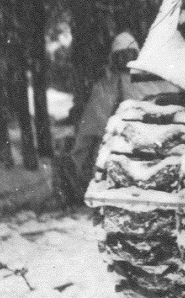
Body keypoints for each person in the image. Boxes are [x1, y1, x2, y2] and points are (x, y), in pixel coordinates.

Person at [59, 31, 144, 204]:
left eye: (130, 55)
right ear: (115, 58)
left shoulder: (147, 81)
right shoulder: (105, 86)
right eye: (122, 56)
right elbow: (92, 124)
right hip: (112, 145)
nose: (126, 60)